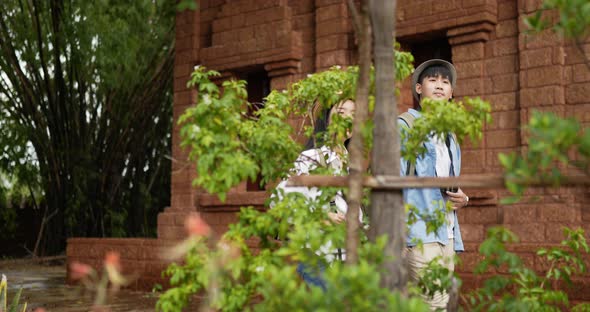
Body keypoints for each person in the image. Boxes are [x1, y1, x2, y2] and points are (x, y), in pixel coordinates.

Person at [399, 59, 469, 310]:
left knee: (438, 304)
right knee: (434, 304)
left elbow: (449, 185)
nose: (440, 85)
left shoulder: (450, 136)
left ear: (451, 93)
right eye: (433, 80)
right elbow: (393, 183)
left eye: (445, 81)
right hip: (417, 232)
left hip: (447, 232)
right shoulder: (405, 126)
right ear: (418, 89)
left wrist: (463, 198)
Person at [273, 99, 357, 291]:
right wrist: (320, 217)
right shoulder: (311, 157)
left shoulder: (351, 163)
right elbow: (279, 199)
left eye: (354, 114)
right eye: (341, 112)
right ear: (327, 119)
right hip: (316, 254)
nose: (348, 119)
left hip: (345, 257)